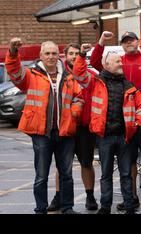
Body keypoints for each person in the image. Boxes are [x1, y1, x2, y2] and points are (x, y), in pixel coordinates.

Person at [89, 15, 141, 211]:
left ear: (138, 42)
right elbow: (96, 61)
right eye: (125, 41)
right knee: (128, 164)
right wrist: (102, 42)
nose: (129, 43)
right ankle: (133, 198)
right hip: (123, 124)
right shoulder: (116, 61)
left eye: (132, 40)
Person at [5, 38, 83, 214]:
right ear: (41, 55)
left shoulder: (69, 76)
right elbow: (15, 73)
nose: (51, 57)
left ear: (59, 55)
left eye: (54, 53)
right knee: (41, 176)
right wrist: (12, 52)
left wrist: (74, 112)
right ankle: (41, 209)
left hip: (65, 132)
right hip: (41, 133)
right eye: (47, 53)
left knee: (67, 175)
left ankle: (67, 207)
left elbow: (79, 96)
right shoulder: (32, 74)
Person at [72, 47, 141, 214]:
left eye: (121, 61)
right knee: (105, 174)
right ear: (106, 64)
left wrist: (137, 124)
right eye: (117, 61)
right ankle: (105, 207)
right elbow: (78, 73)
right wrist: (82, 55)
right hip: (104, 136)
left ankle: (129, 207)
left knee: (126, 175)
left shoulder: (129, 85)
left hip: (124, 136)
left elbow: (140, 107)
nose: (121, 63)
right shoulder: (96, 82)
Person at [47, 43, 98, 212]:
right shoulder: (58, 76)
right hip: (65, 126)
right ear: (65, 56)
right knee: (63, 165)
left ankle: (90, 196)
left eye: (77, 53)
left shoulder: (89, 75)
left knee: (86, 163)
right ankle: (58, 196)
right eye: (71, 53)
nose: (74, 56)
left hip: (84, 127)